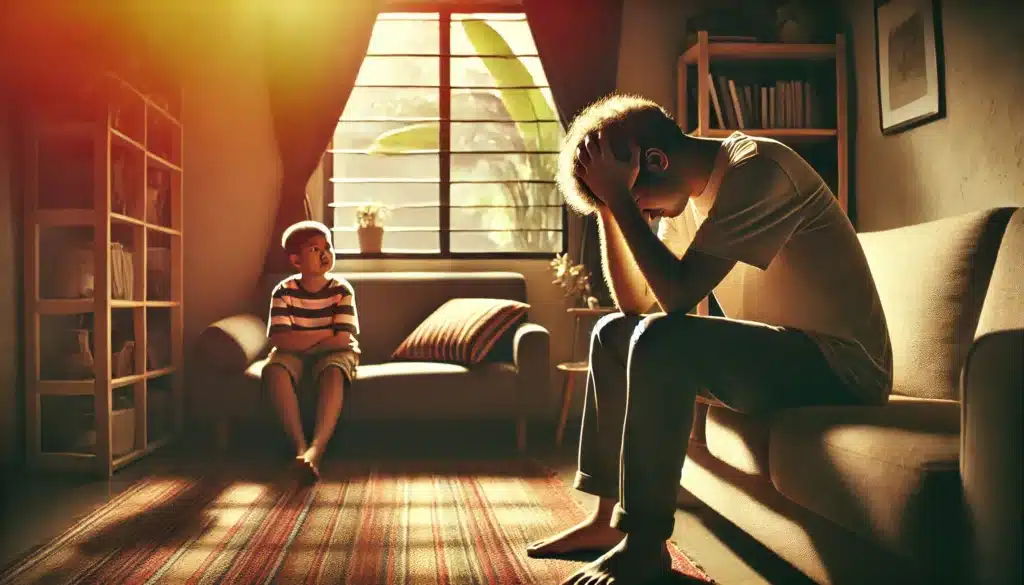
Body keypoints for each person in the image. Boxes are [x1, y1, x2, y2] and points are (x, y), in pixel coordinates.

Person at [528, 94, 892, 585]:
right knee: (614, 333)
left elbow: (676, 297)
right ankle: (603, 522)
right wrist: (611, 208)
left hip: (843, 367)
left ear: (655, 161)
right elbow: (634, 304)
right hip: (780, 357)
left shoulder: (759, 170)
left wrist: (619, 198)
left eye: (634, 196)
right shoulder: (688, 197)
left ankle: (644, 545)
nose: (638, 211)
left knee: (664, 341)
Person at [262, 220, 360, 483]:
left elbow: (343, 340)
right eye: (315, 249)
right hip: (294, 353)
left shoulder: (341, 289)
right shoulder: (283, 291)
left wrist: (304, 339)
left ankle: (317, 450)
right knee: (274, 369)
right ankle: (299, 448)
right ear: (296, 260)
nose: (325, 253)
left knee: (334, 370)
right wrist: (325, 335)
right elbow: (281, 341)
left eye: (327, 247)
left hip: (333, 353)